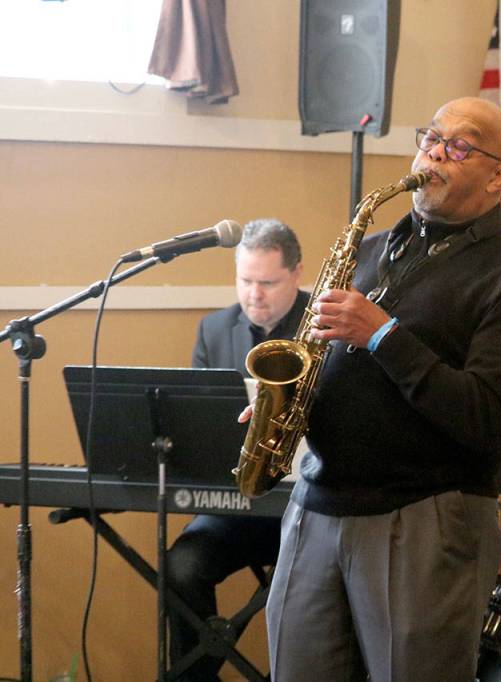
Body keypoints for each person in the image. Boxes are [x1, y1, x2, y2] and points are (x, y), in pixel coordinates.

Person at [262, 97, 501, 681]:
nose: (435, 153)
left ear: (499, 176)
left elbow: (483, 417)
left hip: (424, 516)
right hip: (315, 506)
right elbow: (322, 361)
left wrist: (383, 335)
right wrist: (283, 405)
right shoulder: (368, 250)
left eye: (459, 146)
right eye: (431, 138)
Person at [167, 219, 308, 681]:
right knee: (181, 566)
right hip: (238, 507)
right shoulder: (213, 329)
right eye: (245, 281)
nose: (254, 294)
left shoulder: (326, 328)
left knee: (320, 583)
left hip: (309, 508)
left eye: (267, 283)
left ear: (297, 274)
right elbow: (199, 429)